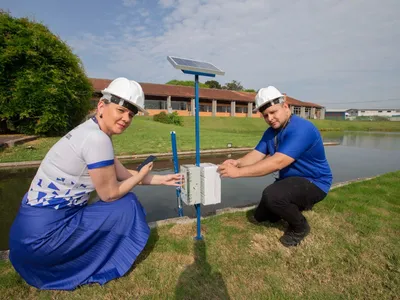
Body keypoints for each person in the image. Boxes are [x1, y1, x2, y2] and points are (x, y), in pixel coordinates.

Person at [8, 77, 182, 290]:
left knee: (120, 201)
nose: (126, 118)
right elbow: (110, 193)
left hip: (26, 238)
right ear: (102, 105)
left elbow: (121, 173)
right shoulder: (97, 140)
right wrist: (139, 176)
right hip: (43, 239)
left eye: (131, 114)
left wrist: (161, 179)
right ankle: (100, 263)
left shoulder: (91, 131)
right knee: (125, 205)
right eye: (121, 110)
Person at [218, 86, 332, 247]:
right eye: (266, 115)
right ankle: (297, 204)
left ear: (285, 107)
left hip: (315, 182)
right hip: (291, 181)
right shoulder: (271, 131)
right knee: (261, 216)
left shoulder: (302, 129)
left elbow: (277, 162)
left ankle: (300, 227)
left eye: (273, 112)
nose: (270, 118)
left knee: (273, 196)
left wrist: (238, 172)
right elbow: (257, 154)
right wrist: (237, 162)